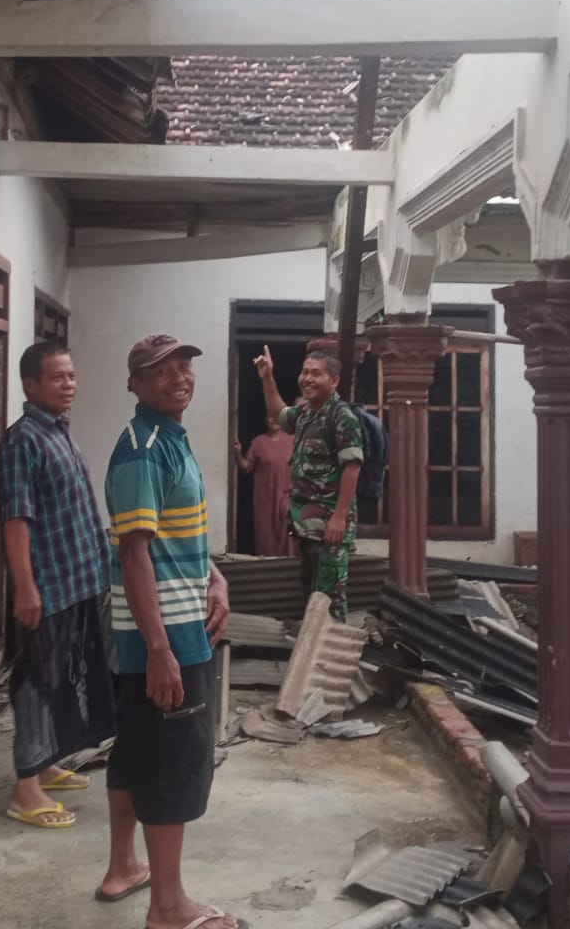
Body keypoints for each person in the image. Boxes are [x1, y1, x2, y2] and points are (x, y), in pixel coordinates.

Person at [105, 333, 246, 929]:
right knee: (171, 767)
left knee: (137, 752)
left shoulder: (169, 440)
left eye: (184, 365)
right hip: (167, 637)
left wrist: (214, 575)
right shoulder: (143, 449)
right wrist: (160, 649)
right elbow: (134, 551)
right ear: (134, 384)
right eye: (161, 370)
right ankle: (168, 908)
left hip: (174, 625)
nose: (179, 376)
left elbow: (172, 533)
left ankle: (124, 867)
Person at [0, 342, 123, 846]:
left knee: (64, 679)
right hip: (47, 587)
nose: (69, 384)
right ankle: (25, 789)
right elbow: (16, 519)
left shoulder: (58, 431)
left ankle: (45, 763)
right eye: (57, 377)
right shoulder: (22, 441)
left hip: (78, 581)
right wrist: (25, 586)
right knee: (36, 681)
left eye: (71, 376)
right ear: (30, 385)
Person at [253, 345, 363, 621]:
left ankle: (331, 647)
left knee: (329, 599)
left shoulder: (342, 417)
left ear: (334, 381)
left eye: (316, 373)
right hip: (307, 527)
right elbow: (279, 413)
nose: (307, 379)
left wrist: (339, 517)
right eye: (304, 372)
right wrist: (267, 378)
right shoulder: (305, 413)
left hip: (330, 527)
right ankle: (313, 644)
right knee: (312, 594)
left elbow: (352, 467)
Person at [232, 413, 295, 556]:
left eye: (278, 416)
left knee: (289, 525)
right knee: (266, 532)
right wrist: (237, 453)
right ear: (265, 420)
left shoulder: (292, 440)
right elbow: (246, 466)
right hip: (266, 497)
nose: (275, 420)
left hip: (287, 494)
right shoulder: (258, 442)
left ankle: (290, 563)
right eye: (271, 416)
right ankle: (268, 564)